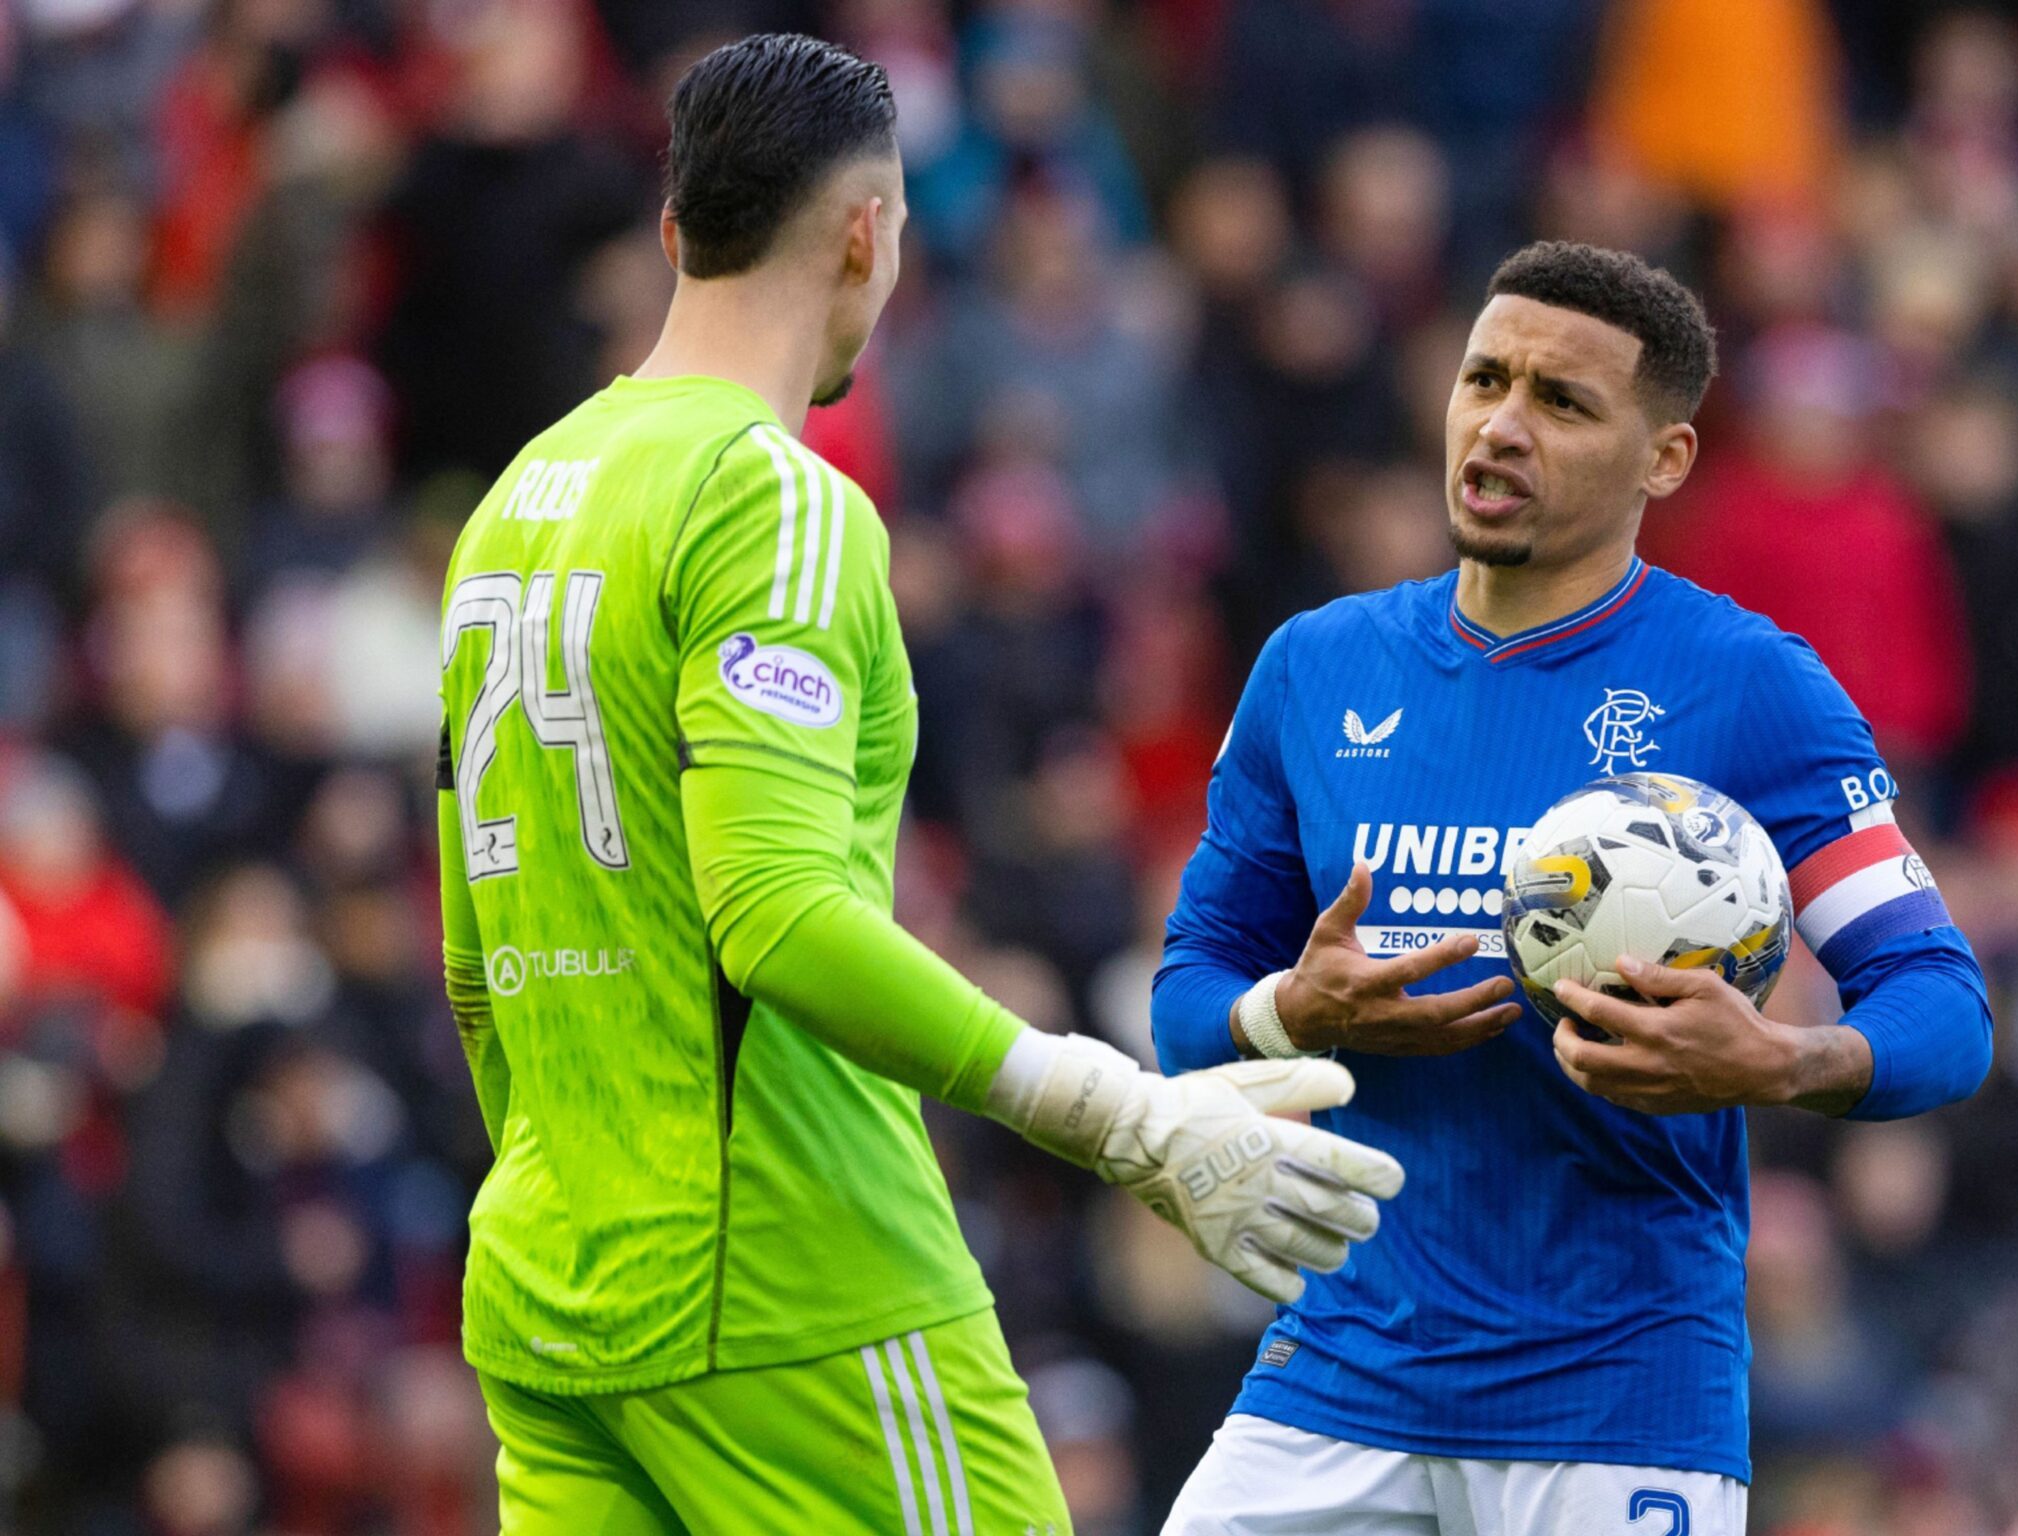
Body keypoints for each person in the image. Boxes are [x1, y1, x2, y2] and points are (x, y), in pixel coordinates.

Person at [433, 35, 1404, 1534]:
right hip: (795, 1287)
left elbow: (478, 961)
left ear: (675, 229)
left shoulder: (516, 506)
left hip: (558, 1289)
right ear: (871, 233)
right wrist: (1116, 1115)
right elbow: (772, 914)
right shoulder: (774, 498)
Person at [1154, 241, 1995, 1532]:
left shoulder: (1749, 684)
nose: (1500, 425)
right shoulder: (1315, 671)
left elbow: (1941, 1002)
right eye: (1484, 379)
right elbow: (1187, 1003)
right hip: (1339, 1377)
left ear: (1664, 460)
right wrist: (1293, 1014)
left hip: (1614, 1404)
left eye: (1562, 401)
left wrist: (1775, 1063)